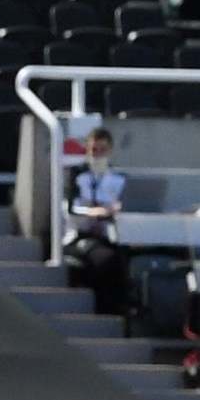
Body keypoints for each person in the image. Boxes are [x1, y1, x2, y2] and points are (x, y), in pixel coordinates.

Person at [63, 127, 128, 315]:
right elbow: (70, 209)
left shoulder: (119, 179)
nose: (98, 155)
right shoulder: (77, 176)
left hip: (110, 236)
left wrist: (115, 210)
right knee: (106, 261)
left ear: (110, 151)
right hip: (79, 236)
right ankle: (106, 312)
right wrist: (94, 212)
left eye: (102, 150)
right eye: (94, 150)